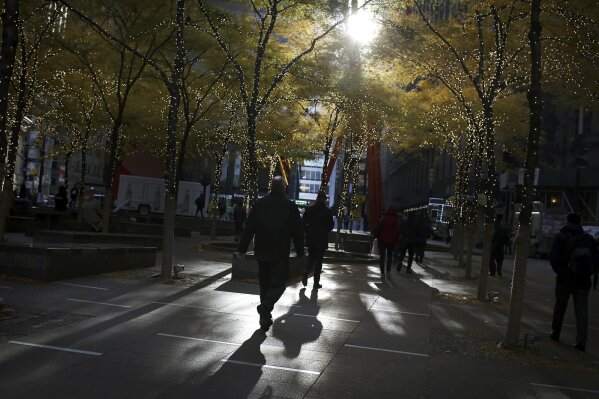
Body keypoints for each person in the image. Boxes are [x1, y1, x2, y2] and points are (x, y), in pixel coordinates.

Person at [237, 176, 304, 332]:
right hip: (280, 251)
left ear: (270, 188)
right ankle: (266, 307)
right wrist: (300, 250)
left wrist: (242, 249)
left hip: (262, 251)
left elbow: (249, 228)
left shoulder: (260, 204)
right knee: (279, 283)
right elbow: (297, 231)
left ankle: (264, 318)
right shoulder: (290, 206)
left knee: (264, 284)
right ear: (283, 188)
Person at [549, 212, 599, 351]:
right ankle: (581, 341)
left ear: (567, 221)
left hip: (565, 279)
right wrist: (589, 272)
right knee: (582, 310)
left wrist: (561, 271)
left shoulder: (561, 237)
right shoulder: (588, 239)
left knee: (560, 306)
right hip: (583, 280)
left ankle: (555, 333)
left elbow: (553, 258)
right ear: (580, 222)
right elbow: (596, 260)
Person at [302, 192, 334, 289]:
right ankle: (316, 283)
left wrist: (308, 231)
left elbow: (303, 223)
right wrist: (324, 231)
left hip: (311, 238)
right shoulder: (328, 211)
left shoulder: (310, 210)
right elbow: (331, 226)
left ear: (317, 199)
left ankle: (305, 272)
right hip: (322, 239)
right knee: (319, 261)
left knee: (311, 257)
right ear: (324, 200)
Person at [375, 207, 399, 277]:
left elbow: (378, 229)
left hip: (381, 240)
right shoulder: (395, 220)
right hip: (391, 241)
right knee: (389, 256)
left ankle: (382, 272)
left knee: (382, 257)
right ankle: (388, 271)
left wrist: (377, 237)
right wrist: (395, 239)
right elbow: (397, 231)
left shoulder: (382, 219)